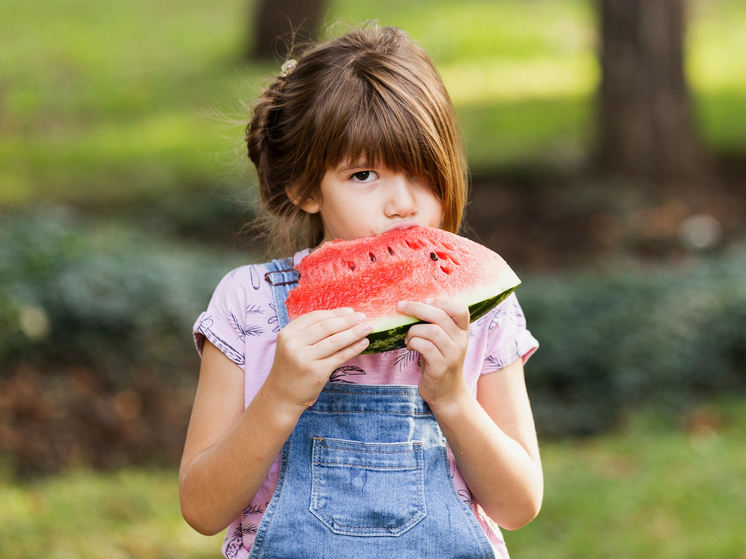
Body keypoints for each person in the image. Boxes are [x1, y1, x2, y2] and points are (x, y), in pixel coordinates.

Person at [179, 25, 543, 559]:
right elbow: (202, 510)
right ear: (305, 188)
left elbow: (518, 505)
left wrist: (452, 399)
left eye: (422, 173)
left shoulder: (482, 312)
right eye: (365, 174)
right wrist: (280, 395)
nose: (402, 203)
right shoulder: (249, 303)